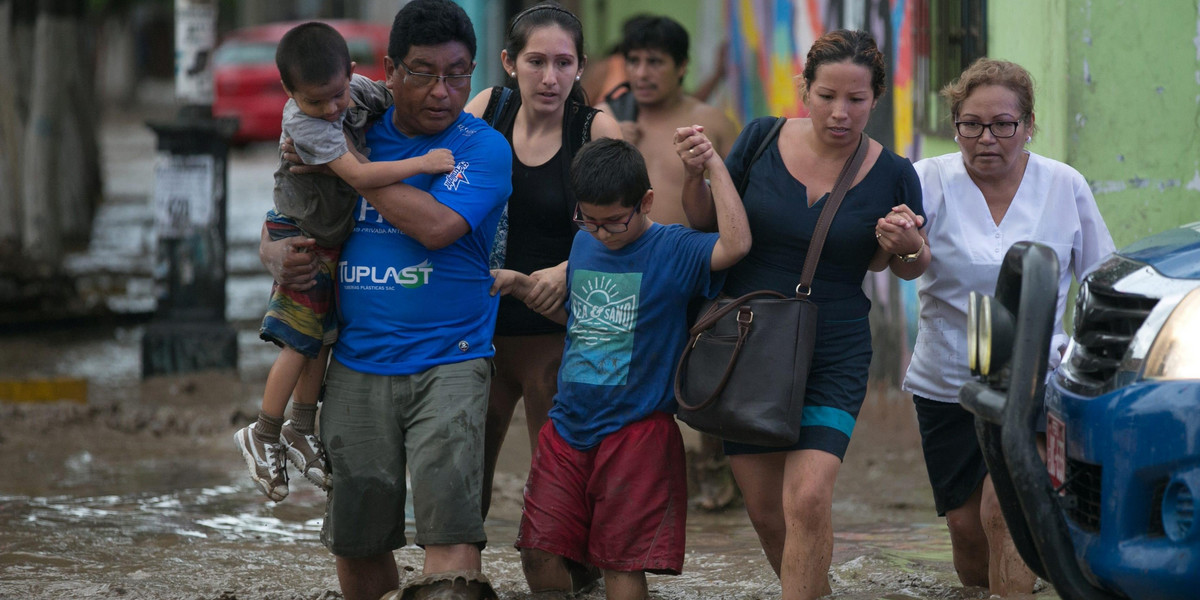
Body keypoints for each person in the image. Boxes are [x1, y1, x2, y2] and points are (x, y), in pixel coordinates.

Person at [259, 1, 513, 598]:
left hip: (451, 360)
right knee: (359, 541)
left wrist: (351, 168)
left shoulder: (480, 148)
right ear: (389, 70)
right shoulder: (342, 121)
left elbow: (435, 227)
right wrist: (272, 254)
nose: (443, 91)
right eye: (423, 72)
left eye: (458, 74)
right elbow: (290, 217)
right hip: (352, 363)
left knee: (451, 536)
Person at [679, 29, 928, 600]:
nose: (840, 113)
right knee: (768, 513)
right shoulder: (760, 140)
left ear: (875, 98)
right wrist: (697, 173)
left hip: (835, 348)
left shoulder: (894, 174)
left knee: (809, 497)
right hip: (749, 343)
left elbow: (908, 267)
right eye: (827, 96)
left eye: (856, 100)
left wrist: (908, 243)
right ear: (806, 91)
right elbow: (703, 222)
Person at [491, 136, 750, 600]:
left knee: (622, 565)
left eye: (613, 221)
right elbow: (582, 317)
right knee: (538, 549)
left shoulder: (674, 249)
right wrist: (522, 286)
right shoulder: (584, 244)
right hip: (568, 425)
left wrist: (712, 164)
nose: (601, 232)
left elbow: (736, 243)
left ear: (646, 201)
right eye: (588, 219)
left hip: (636, 434)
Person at [902, 57, 1114, 597]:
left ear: (1028, 125)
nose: (986, 138)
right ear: (956, 126)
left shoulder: (1063, 185)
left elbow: (1098, 281)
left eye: (1002, 124)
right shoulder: (927, 180)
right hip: (949, 379)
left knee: (1008, 512)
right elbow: (902, 261)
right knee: (968, 535)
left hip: (1037, 376)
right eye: (971, 124)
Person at [234, 21, 455, 504]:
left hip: (328, 238)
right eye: (317, 101)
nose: (333, 109)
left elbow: (391, 96)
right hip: (300, 237)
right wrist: (423, 162)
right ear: (291, 94)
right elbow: (359, 174)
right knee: (298, 339)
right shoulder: (304, 124)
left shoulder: (354, 91)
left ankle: (299, 427)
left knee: (323, 338)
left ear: (350, 74)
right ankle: (264, 431)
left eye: (337, 96)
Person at [461, 0, 621, 518]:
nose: (550, 77)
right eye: (536, 62)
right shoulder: (488, 110)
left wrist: (568, 268)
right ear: (509, 62)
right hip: (478, 328)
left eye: (563, 63)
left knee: (559, 498)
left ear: (580, 67)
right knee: (462, 491)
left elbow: (631, 232)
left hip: (560, 335)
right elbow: (436, 184)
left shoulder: (593, 132)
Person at [597, 14, 738, 228]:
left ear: (681, 66)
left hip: (691, 256)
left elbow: (745, 200)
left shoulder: (714, 123)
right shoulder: (603, 120)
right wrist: (608, 148)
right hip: (617, 255)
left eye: (654, 62)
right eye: (634, 61)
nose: (641, 74)